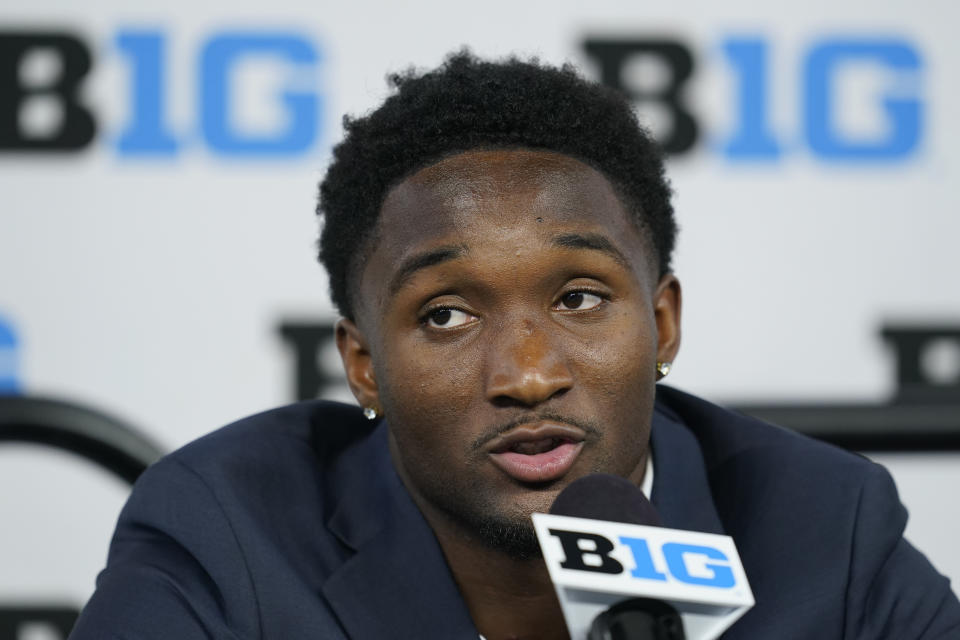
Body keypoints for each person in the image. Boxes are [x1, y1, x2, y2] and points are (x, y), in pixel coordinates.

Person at [70, 52, 960, 639]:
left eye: (579, 297)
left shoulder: (826, 537)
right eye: (447, 315)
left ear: (663, 324)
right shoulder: (229, 536)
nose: (528, 375)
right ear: (363, 364)